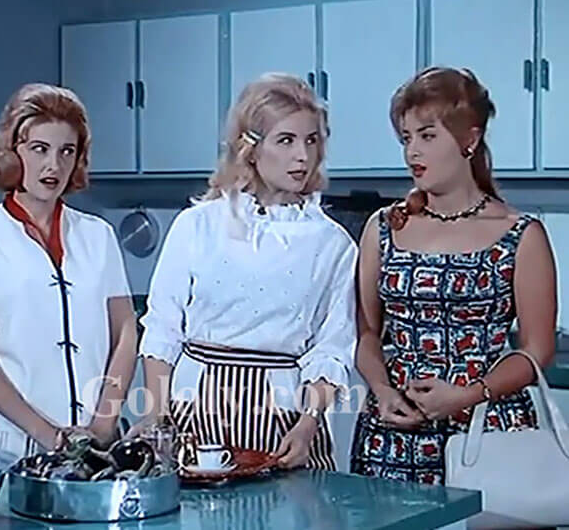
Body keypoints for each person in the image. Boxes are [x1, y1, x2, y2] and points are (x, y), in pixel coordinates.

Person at [135, 73, 358, 470]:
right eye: (286, 141)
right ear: (251, 148)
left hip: (285, 418)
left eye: (311, 141)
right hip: (194, 413)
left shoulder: (333, 243)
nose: (302, 156)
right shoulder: (197, 225)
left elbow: (332, 346)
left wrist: (308, 425)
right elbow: (163, 327)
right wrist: (156, 416)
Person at [350, 67, 557, 484]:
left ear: (469, 139)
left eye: (427, 136)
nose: (412, 152)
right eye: (406, 138)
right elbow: (367, 334)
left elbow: (537, 350)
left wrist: (468, 395)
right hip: (393, 438)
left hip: (488, 435)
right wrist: (383, 391)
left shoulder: (521, 235)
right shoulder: (384, 227)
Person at [0, 83, 137, 456]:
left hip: (93, 441)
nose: (54, 165)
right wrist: (49, 435)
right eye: (39, 149)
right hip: (7, 442)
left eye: (67, 151)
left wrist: (103, 423)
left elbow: (126, 331)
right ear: (12, 152)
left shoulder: (98, 236)